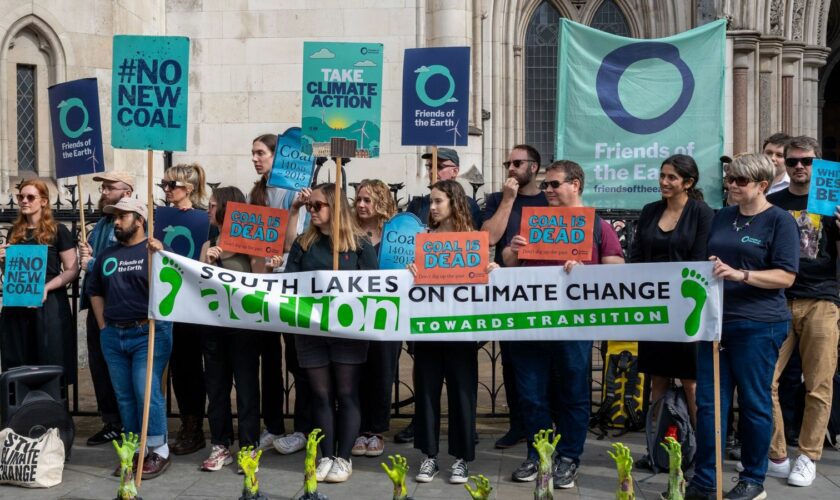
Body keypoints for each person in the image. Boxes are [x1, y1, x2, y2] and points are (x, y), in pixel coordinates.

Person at [501, 161, 624, 488]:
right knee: (531, 393)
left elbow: (617, 269)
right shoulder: (535, 223)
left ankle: (569, 456)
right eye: (546, 185)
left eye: (554, 184)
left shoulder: (598, 226)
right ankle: (539, 453)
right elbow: (508, 263)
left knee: (573, 392)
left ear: (576, 184)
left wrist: (588, 271)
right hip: (530, 323)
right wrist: (514, 250)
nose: (548, 191)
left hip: (574, 325)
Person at [687, 153, 800, 500]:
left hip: (759, 324)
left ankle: (753, 478)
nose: (732, 185)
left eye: (741, 181)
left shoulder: (779, 221)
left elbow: (786, 275)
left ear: (762, 185)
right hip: (716, 323)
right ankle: (706, 479)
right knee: (710, 404)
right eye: (730, 179)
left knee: (753, 402)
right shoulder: (723, 217)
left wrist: (742, 274)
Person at [284, 183, 378, 483]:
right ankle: (325, 454)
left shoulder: (359, 245)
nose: (311, 210)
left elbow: (375, 286)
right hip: (311, 331)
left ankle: (344, 457)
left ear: (335, 208)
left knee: (346, 393)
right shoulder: (304, 244)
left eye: (318, 206)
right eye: (309, 206)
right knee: (320, 394)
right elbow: (290, 282)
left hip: (348, 331)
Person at [409, 179, 498, 485]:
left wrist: (491, 271)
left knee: (462, 394)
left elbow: (485, 283)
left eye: (437, 202)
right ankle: (429, 456)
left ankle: (461, 458)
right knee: (427, 393)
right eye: (430, 202)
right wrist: (411, 271)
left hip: (461, 332)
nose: (431, 208)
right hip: (428, 330)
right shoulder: (423, 238)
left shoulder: (473, 240)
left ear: (453, 202)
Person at [765, 136, 839, 487]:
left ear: (817, 164)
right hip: (778, 299)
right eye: (793, 161)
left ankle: (808, 456)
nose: (799, 167)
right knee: (764, 380)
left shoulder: (832, 200)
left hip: (822, 299)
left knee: (819, 384)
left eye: (807, 162)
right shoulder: (773, 202)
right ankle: (778, 453)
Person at [631, 154, 714, 462]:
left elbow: (700, 257)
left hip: (688, 310)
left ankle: (700, 455)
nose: (664, 182)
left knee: (692, 384)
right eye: (662, 175)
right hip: (655, 310)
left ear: (688, 183)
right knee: (657, 381)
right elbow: (637, 254)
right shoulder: (650, 210)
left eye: (672, 178)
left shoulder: (702, 213)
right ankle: (656, 451)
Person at [87, 197, 173, 479]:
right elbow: (95, 290)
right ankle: (135, 448)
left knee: (144, 390)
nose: (116, 221)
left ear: (139, 220)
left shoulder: (154, 251)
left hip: (147, 332)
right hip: (113, 333)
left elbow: (175, 284)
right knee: (124, 396)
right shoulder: (107, 255)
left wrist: (161, 255)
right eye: (114, 217)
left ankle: (158, 449)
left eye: (123, 216)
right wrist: (103, 327)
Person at [198, 187, 279, 472]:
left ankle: (248, 446)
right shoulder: (208, 244)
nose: (207, 210)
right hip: (214, 328)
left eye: (211, 205)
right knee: (216, 389)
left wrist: (270, 264)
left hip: (243, 328)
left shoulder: (249, 243)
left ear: (225, 208)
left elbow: (260, 281)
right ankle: (221, 444)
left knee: (246, 389)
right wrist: (208, 263)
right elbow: (198, 286)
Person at [248, 133, 312, 455]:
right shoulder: (256, 193)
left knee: (297, 360)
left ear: (278, 155)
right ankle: (272, 425)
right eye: (254, 154)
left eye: (261, 153)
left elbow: (294, 244)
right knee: (269, 361)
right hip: (263, 284)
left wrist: (297, 209)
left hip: (291, 286)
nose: (256, 158)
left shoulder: (295, 195)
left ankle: (302, 427)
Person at [481, 144, 548, 449]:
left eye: (517, 162)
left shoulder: (550, 200)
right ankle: (518, 425)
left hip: (546, 292)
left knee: (546, 363)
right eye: (507, 162)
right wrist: (508, 200)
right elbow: (488, 238)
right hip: (508, 293)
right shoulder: (497, 199)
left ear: (533, 167)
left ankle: (547, 424)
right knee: (512, 361)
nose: (510, 167)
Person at [0, 179, 79, 392]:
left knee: (49, 358)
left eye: (30, 197)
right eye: (21, 197)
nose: (24, 201)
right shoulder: (14, 232)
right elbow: (12, 274)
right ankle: (22, 416)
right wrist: (2, 261)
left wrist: (46, 287)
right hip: (17, 306)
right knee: (18, 360)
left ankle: (51, 413)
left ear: (43, 201)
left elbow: (73, 269)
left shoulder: (58, 231)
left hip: (48, 305)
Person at [79, 172, 135, 446]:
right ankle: (111, 421)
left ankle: (127, 423)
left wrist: (91, 263)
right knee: (99, 365)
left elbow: (120, 262)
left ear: (126, 192)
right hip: (95, 301)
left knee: (119, 367)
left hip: (116, 305)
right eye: (102, 187)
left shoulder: (127, 224)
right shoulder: (101, 223)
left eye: (109, 187)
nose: (103, 191)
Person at [162, 163, 211, 456]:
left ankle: (197, 427)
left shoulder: (204, 219)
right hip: (170, 300)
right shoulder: (161, 216)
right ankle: (186, 423)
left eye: (171, 185)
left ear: (188, 189)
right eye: (164, 185)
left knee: (194, 367)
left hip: (196, 301)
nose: (166, 190)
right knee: (179, 367)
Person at [350, 179, 400, 458]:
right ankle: (359, 430)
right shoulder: (348, 233)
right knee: (355, 373)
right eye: (358, 199)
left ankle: (376, 431)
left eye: (368, 200)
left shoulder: (394, 236)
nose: (361, 205)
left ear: (381, 202)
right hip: (355, 314)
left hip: (387, 315)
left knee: (382, 372)